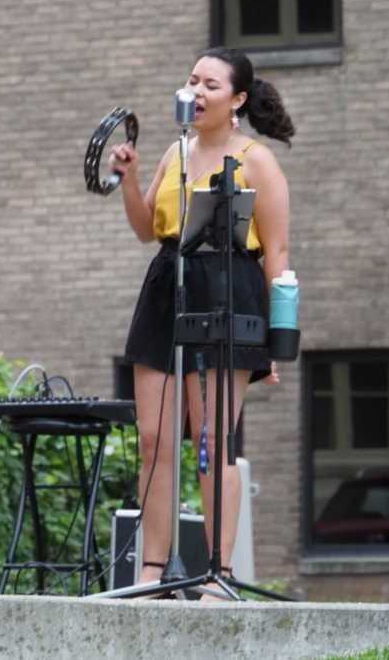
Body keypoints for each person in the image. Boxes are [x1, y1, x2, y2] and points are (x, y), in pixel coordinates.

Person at [109, 47, 294, 598]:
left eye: (210, 83)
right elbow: (147, 228)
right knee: (153, 439)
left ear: (236, 99)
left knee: (212, 439)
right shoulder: (175, 151)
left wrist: (275, 342)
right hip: (168, 282)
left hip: (227, 288)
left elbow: (278, 254)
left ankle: (221, 574)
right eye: (192, 79)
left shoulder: (256, 158)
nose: (197, 90)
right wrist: (131, 177)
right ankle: (152, 572)